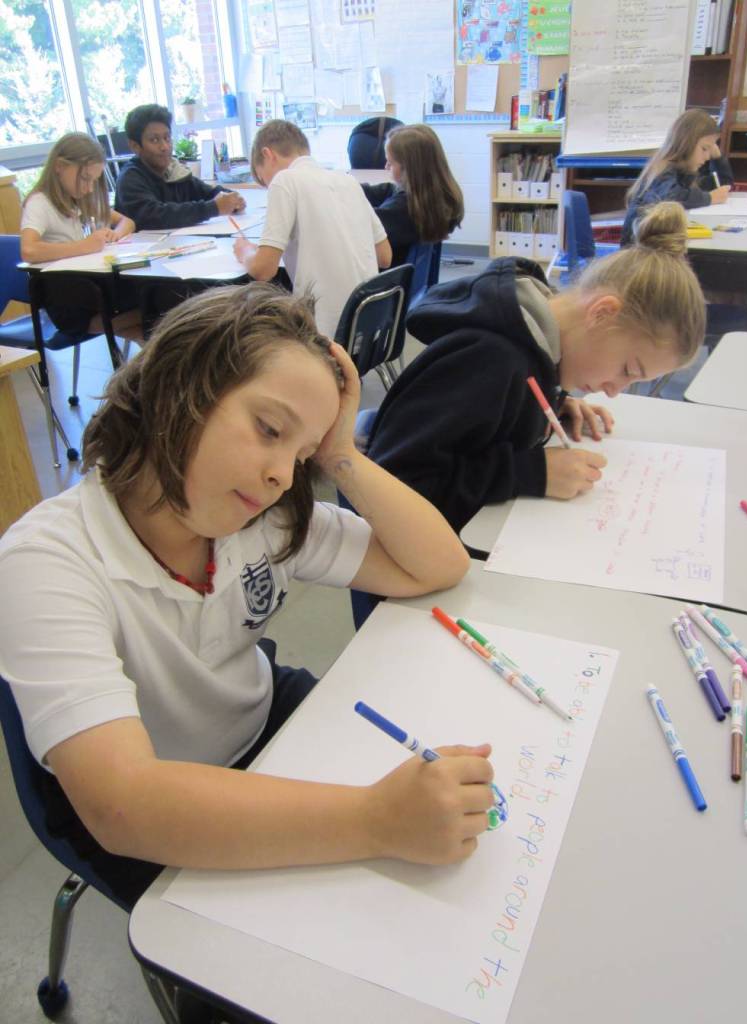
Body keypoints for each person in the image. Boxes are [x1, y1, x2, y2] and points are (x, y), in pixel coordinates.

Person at [0, 283, 488, 918]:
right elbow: (124, 807)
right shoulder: (46, 561)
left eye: (301, 455)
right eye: (269, 429)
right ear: (179, 387)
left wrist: (339, 455)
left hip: (262, 719)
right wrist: (375, 819)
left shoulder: (263, 518)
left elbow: (439, 565)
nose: (283, 474)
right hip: (164, 801)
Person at [365, 203, 706, 535]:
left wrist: (554, 403)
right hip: (406, 554)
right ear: (602, 314)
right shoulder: (488, 360)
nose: (616, 390)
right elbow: (391, 483)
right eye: (627, 370)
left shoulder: (544, 346)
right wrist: (529, 473)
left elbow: (485, 423)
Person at [233, 119, 392, 337]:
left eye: (263, 180)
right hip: (368, 330)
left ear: (268, 155)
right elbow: (385, 256)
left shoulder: (284, 180)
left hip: (323, 335)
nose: (268, 186)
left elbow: (263, 270)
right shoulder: (347, 181)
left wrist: (245, 251)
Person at [20, 132, 140, 336]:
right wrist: (83, 247)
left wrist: (116, 235)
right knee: (151, 301)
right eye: (85, 178)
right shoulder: (39, 202)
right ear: (59, 166)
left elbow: (127, 222)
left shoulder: (77, 199)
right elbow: (28, 250)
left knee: (149, 310)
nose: (89, 188)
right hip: (66, 303)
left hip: (88, 292)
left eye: (94, 181)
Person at [115, 103, 246, 230]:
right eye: (154, 140)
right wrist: (214, 208)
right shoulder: (130, 178)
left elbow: (208, 193)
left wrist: (232, 199)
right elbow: (155, 215)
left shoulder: (174, 170)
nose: (164, 147)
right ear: (135, 146)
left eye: (167, 138)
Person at [621, 108, 731, 245]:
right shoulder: (663, 169)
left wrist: (718, 157)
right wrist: (709, 198)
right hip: (639, 250)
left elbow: (722, 184)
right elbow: (671, 197)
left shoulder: (686, 169)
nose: (708, 156)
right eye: (704, 149)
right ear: (686, 144)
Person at [361, 123, 464, 267]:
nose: (386, 167)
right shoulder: (431, 197)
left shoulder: (402, 210)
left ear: (409, 168)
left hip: (388, 275)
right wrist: (349, 188)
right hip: (406, 273)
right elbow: (386, 191)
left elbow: (364, 222)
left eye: (390, 163)